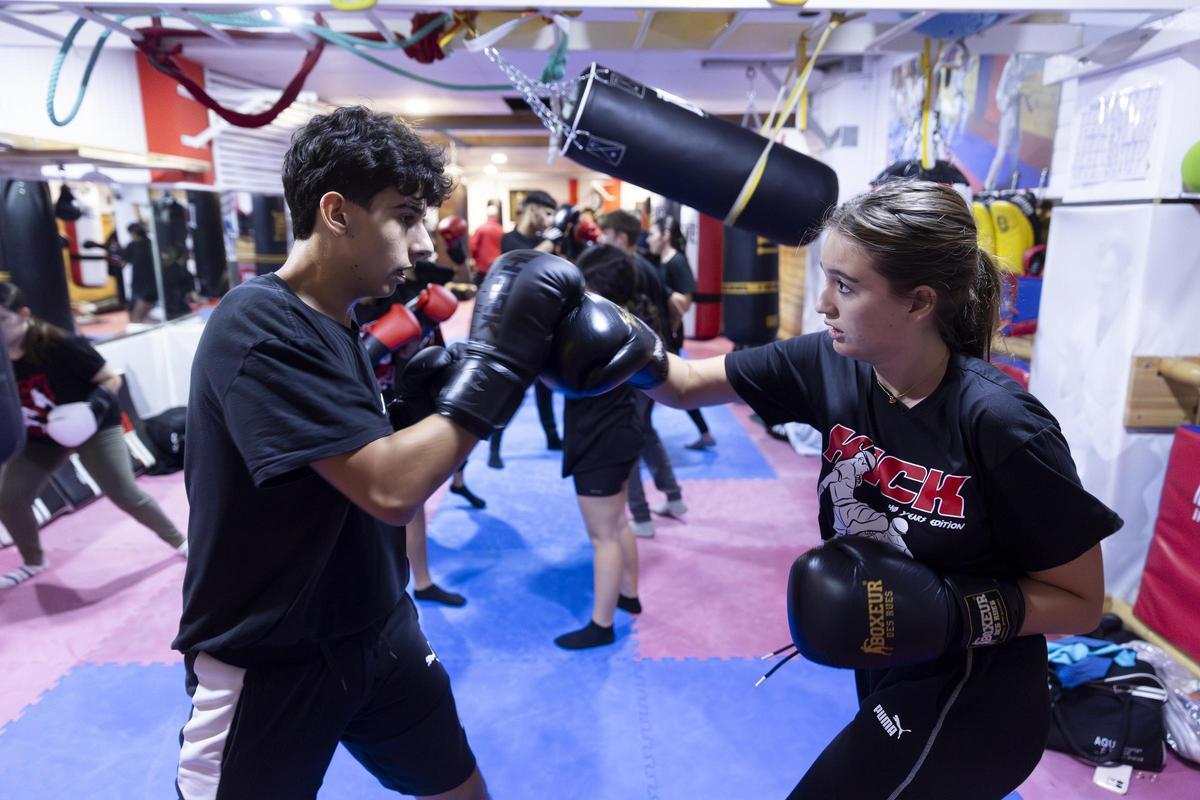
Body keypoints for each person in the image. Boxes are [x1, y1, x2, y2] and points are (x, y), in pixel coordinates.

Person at [607, 181, 1119, 799]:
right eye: (827, 278)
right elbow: (685, 383)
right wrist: (597, 333)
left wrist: (956, 610)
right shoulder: (830, 362)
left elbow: (1084, 603)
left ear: (918, 303)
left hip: (975, 698)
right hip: (886, 667)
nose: (823, 303)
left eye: (846, 287)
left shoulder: (999, 422)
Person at [172, 106, 614, 799]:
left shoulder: (339, 325)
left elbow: (348, 463)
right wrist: (503, 364)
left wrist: (413, 409)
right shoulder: (258, 325)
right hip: (271, 657)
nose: (422, 241)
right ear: (336, 212)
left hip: (379, 627)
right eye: (404, 216)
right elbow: (387, 489)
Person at [0, 282, 187, 589]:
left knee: (125, 493)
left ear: (23, 314)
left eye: (2, 320)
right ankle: (34, 560)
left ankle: (182, 543)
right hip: (42, 435)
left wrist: (90, 410)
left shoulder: (59, 344)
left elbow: (110, 379)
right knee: (9, 498)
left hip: (94, 427)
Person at [356, 259, 481, 609]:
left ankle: (422, 581)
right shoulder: (336, 313)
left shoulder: (411, 298)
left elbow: (433, 347)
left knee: (412, 504)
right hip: (356, 420)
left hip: (399, 409)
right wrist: (374, 347)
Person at [554, 244, 645, 650]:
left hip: (600, 439)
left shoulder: (593, 329)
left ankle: (601, 624)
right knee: (618, 521)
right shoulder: (625, 322)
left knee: (603, 534)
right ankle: (629, 594)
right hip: (621, 430)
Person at [599, 210, 685, 538]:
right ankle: (674, 497)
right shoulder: (649, 267)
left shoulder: (620, 271)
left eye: (606, 235)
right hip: (654, 363)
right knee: (645, 429)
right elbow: (672, 308)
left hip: (629, 368)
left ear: (620, 237)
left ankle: (641, 516)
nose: (602, 242)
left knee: (626, 438)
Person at [488, 190, 562, 469]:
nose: (550, 219)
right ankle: (495, 444)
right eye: (546, 212)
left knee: (547, 386)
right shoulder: (511, 239)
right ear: (532, 209)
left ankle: (553, 437)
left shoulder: (550, 240)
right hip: (515, 325)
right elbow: (524, 263)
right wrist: (550, 242)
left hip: (546, 320)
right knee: (514, 389)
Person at [645, 216, 714, 451]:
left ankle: (704, 433)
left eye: (653, 234)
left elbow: (684, 304)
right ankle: (704, 433)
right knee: (666, 384)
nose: (649, 239)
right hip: (659, 329)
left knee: (675, 384)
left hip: (670, 332)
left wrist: (660, 288)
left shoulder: (677, 262)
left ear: (665, 235)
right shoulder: (657, 259)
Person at [123, 222, 157, 324]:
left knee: (136, 318)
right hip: (143, 284)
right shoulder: (149, 244)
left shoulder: (143, 244)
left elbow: (122, 263)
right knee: (139, 317)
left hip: (145, 285)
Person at [468, 203, 503, 284]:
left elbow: (473, 247)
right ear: (497, 216)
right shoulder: (501, 230)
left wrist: (475, 260)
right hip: (496, 267)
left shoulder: (481, 229)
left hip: (482, 269)